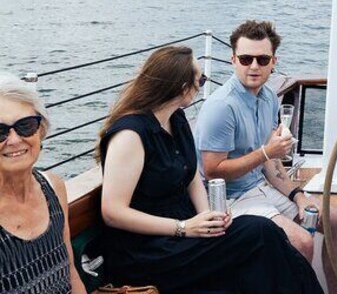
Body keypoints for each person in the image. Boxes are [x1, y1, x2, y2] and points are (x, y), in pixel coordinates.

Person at [97, 47, 321, 293]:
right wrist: (183, 228)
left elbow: (192, 176)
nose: (202, 85)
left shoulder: (176, 120)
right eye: (200, 80)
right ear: (182, 86)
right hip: (148, 251)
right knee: (259, 232)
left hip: (187, 235)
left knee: (267, 236)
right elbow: (112, 212)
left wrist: (211, 217)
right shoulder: (130, 135)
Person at [195, 20, 337, 293]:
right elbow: (213, 171)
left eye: (262, 59)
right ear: (233, 60)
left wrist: (298, 196)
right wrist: (267, 151)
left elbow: (271, 164)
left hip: (260, 188)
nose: (254, 66)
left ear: (273, 62)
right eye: (245, 58)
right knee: (302, 242)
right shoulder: (221, 107)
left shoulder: (268, 97)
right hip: (229, 200)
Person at [0, 73, 86, 294]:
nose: (15, 139)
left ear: (41, 130)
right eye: (0, 131)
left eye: (26, 125)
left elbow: (70, 273)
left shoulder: (53, 187)